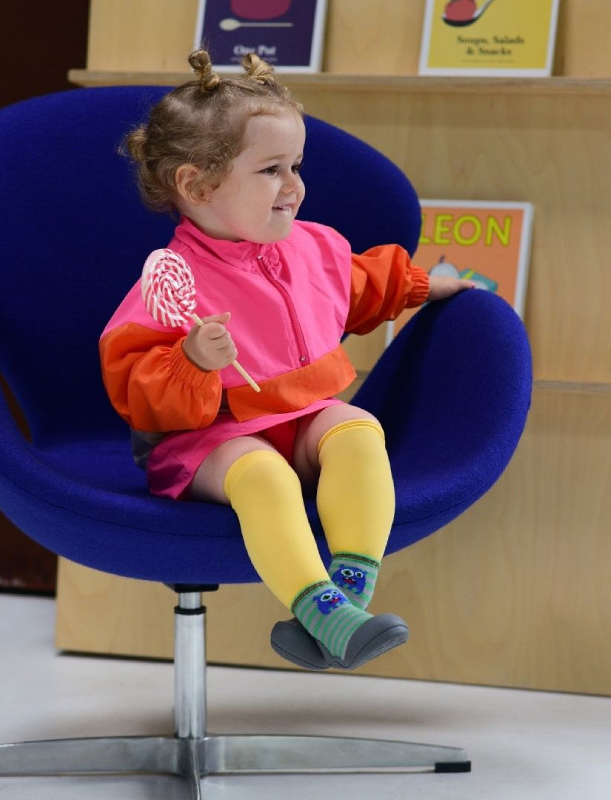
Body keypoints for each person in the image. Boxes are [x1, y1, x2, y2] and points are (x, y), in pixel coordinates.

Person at [99, 50, 473, 671]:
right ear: (196, 186)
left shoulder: (313, 249)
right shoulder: (172, 284)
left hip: (298, 419)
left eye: (296, 166)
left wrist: (421, 285)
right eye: (271, 170)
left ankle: (344, 601)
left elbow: (359, 286)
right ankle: (318, 607)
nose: (295, 186)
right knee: (264, 475)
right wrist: (191, 360)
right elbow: (138, 393)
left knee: (357, 430)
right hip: (208, 439)